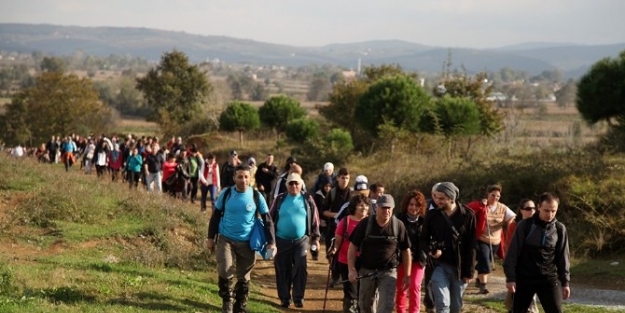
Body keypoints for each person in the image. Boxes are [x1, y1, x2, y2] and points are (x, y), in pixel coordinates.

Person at [207, 165, 276, 313]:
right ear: (234, 178)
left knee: (244, 276)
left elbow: (267, 220)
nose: (243, 180)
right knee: (225, 269)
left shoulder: (257, 196)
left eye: (246, 177)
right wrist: (210, 238)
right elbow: (215, 217)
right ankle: (227, 302)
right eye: (240, 177)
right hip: (226, 239)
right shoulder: (226, 194)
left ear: (250, 179)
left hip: (247, 242)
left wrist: (271, 243)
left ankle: (240, 306)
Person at [504, 192, 571, 313]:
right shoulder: (525, 226)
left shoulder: (560, 229)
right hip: (525, 278)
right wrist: (511, 278)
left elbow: (563, 257)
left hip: (548, 278)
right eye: (546, 210)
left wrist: (565, 282)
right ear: (539, 207)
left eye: (553, 211)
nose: (549, 214)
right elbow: (512, 253)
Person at [348, 194, 412, 313]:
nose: (386, 211)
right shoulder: (365, 224)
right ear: (376, 208)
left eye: (389, 208)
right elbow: (352, 247)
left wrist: (407, 275)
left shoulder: (398, 225)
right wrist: (351, 270)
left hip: (388, 271)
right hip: (367, 270)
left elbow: (406, 251)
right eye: (383, 207)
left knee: (387, 305)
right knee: (365, 306)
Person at [420, 182, 476, 313]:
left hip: (460, 268)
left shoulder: (468, 215)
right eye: (436, 197)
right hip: (438, 266)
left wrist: (469, 271)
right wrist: (431, 251)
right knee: (442, 304)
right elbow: (423, 239)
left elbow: (472, 245)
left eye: (441, 198)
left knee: (455, 307)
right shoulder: (432, 216)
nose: (437, 201)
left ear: (451, 198)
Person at [269, 172, 321, 309]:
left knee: (300, 266)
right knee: (282, 269)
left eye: (296, 183)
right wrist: (270, 240)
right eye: (290, 183)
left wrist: (315, 238)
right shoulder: (280, 199)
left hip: (301, 240)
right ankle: (284, 298)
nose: (293, 186)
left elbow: (315, 218)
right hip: (281, 240)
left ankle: (298, 297)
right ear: (286, 185)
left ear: (301, 185)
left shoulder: (307, 199)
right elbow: (270, 218)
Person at [467, 184, 516, 294]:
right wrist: (481, 205)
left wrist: (509, 224)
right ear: (487, 195)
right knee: (485, 260)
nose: (495, 198)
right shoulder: (482, 205)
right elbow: (468, 210)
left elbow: (512, 217)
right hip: (481, 239)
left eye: (498, 196)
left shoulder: (503, 208)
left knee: (485, 261)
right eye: (493, 195)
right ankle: (483, 286)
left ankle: (479, 279)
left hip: (496, 241)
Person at [327, 194, 369, 313]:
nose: (364, 208)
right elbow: (337, 241)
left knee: (364, 292)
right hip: (345, 262)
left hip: (365, 263)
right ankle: (349, 309)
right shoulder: (345, 222)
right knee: (351, 292)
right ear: (354, 207)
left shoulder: (370, 223)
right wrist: (333, 250)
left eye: (366, 206)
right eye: (361, 205)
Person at [395, 190, 428, 313]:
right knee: (401, 288)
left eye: (417, 205)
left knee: (415, 286)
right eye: (411, 204)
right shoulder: (398, 220)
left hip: (418, 260)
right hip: (401, 260)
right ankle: (400, 310)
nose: (413, 208)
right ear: (406, 205)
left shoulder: (424, 222)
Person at [504, 198, 539, 313]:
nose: (531, 211)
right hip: (518, 267)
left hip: (534, 266)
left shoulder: (538, 225)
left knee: (531, 299)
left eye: (534, 208)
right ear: (521, 210)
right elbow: (509, 247)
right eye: (528, 209)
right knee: (516, 297)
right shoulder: (514, 225)